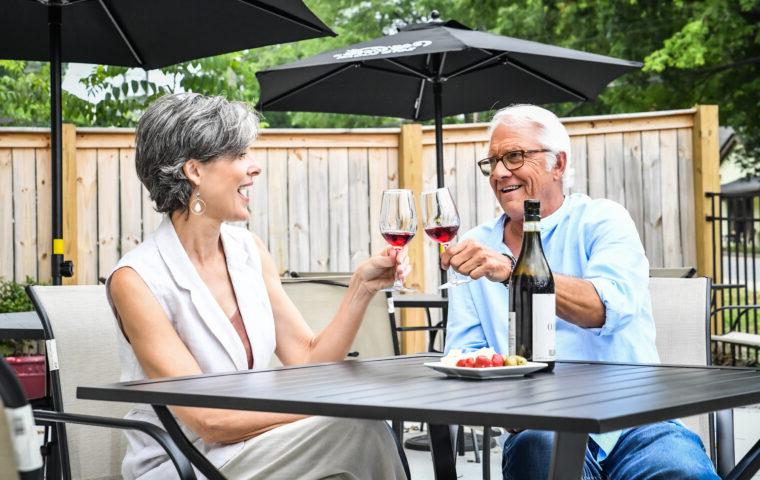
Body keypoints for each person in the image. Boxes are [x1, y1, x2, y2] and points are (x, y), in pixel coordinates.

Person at [107, 93, 410, 480]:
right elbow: (211, 420)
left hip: (258, 445)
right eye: (238, 155)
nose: (255, 167)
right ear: (194, 171)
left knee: (354, 435)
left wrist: (361, 287)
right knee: (358, 430)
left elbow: (306, 360)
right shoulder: (137, 280)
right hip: (183, 462)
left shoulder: (248, 251)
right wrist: (340, 403)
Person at [440, 104, 719, 479]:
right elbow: (466, 356)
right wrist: (505, 403)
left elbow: (606, 308)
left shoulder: (601, 220)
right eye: (492, 161)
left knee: (679, 469)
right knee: (538, 450)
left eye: (515, 156)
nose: (500, 171)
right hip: (542, 424)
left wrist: (512, 271)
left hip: (634, 421)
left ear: (558, 164)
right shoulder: (475, 245)